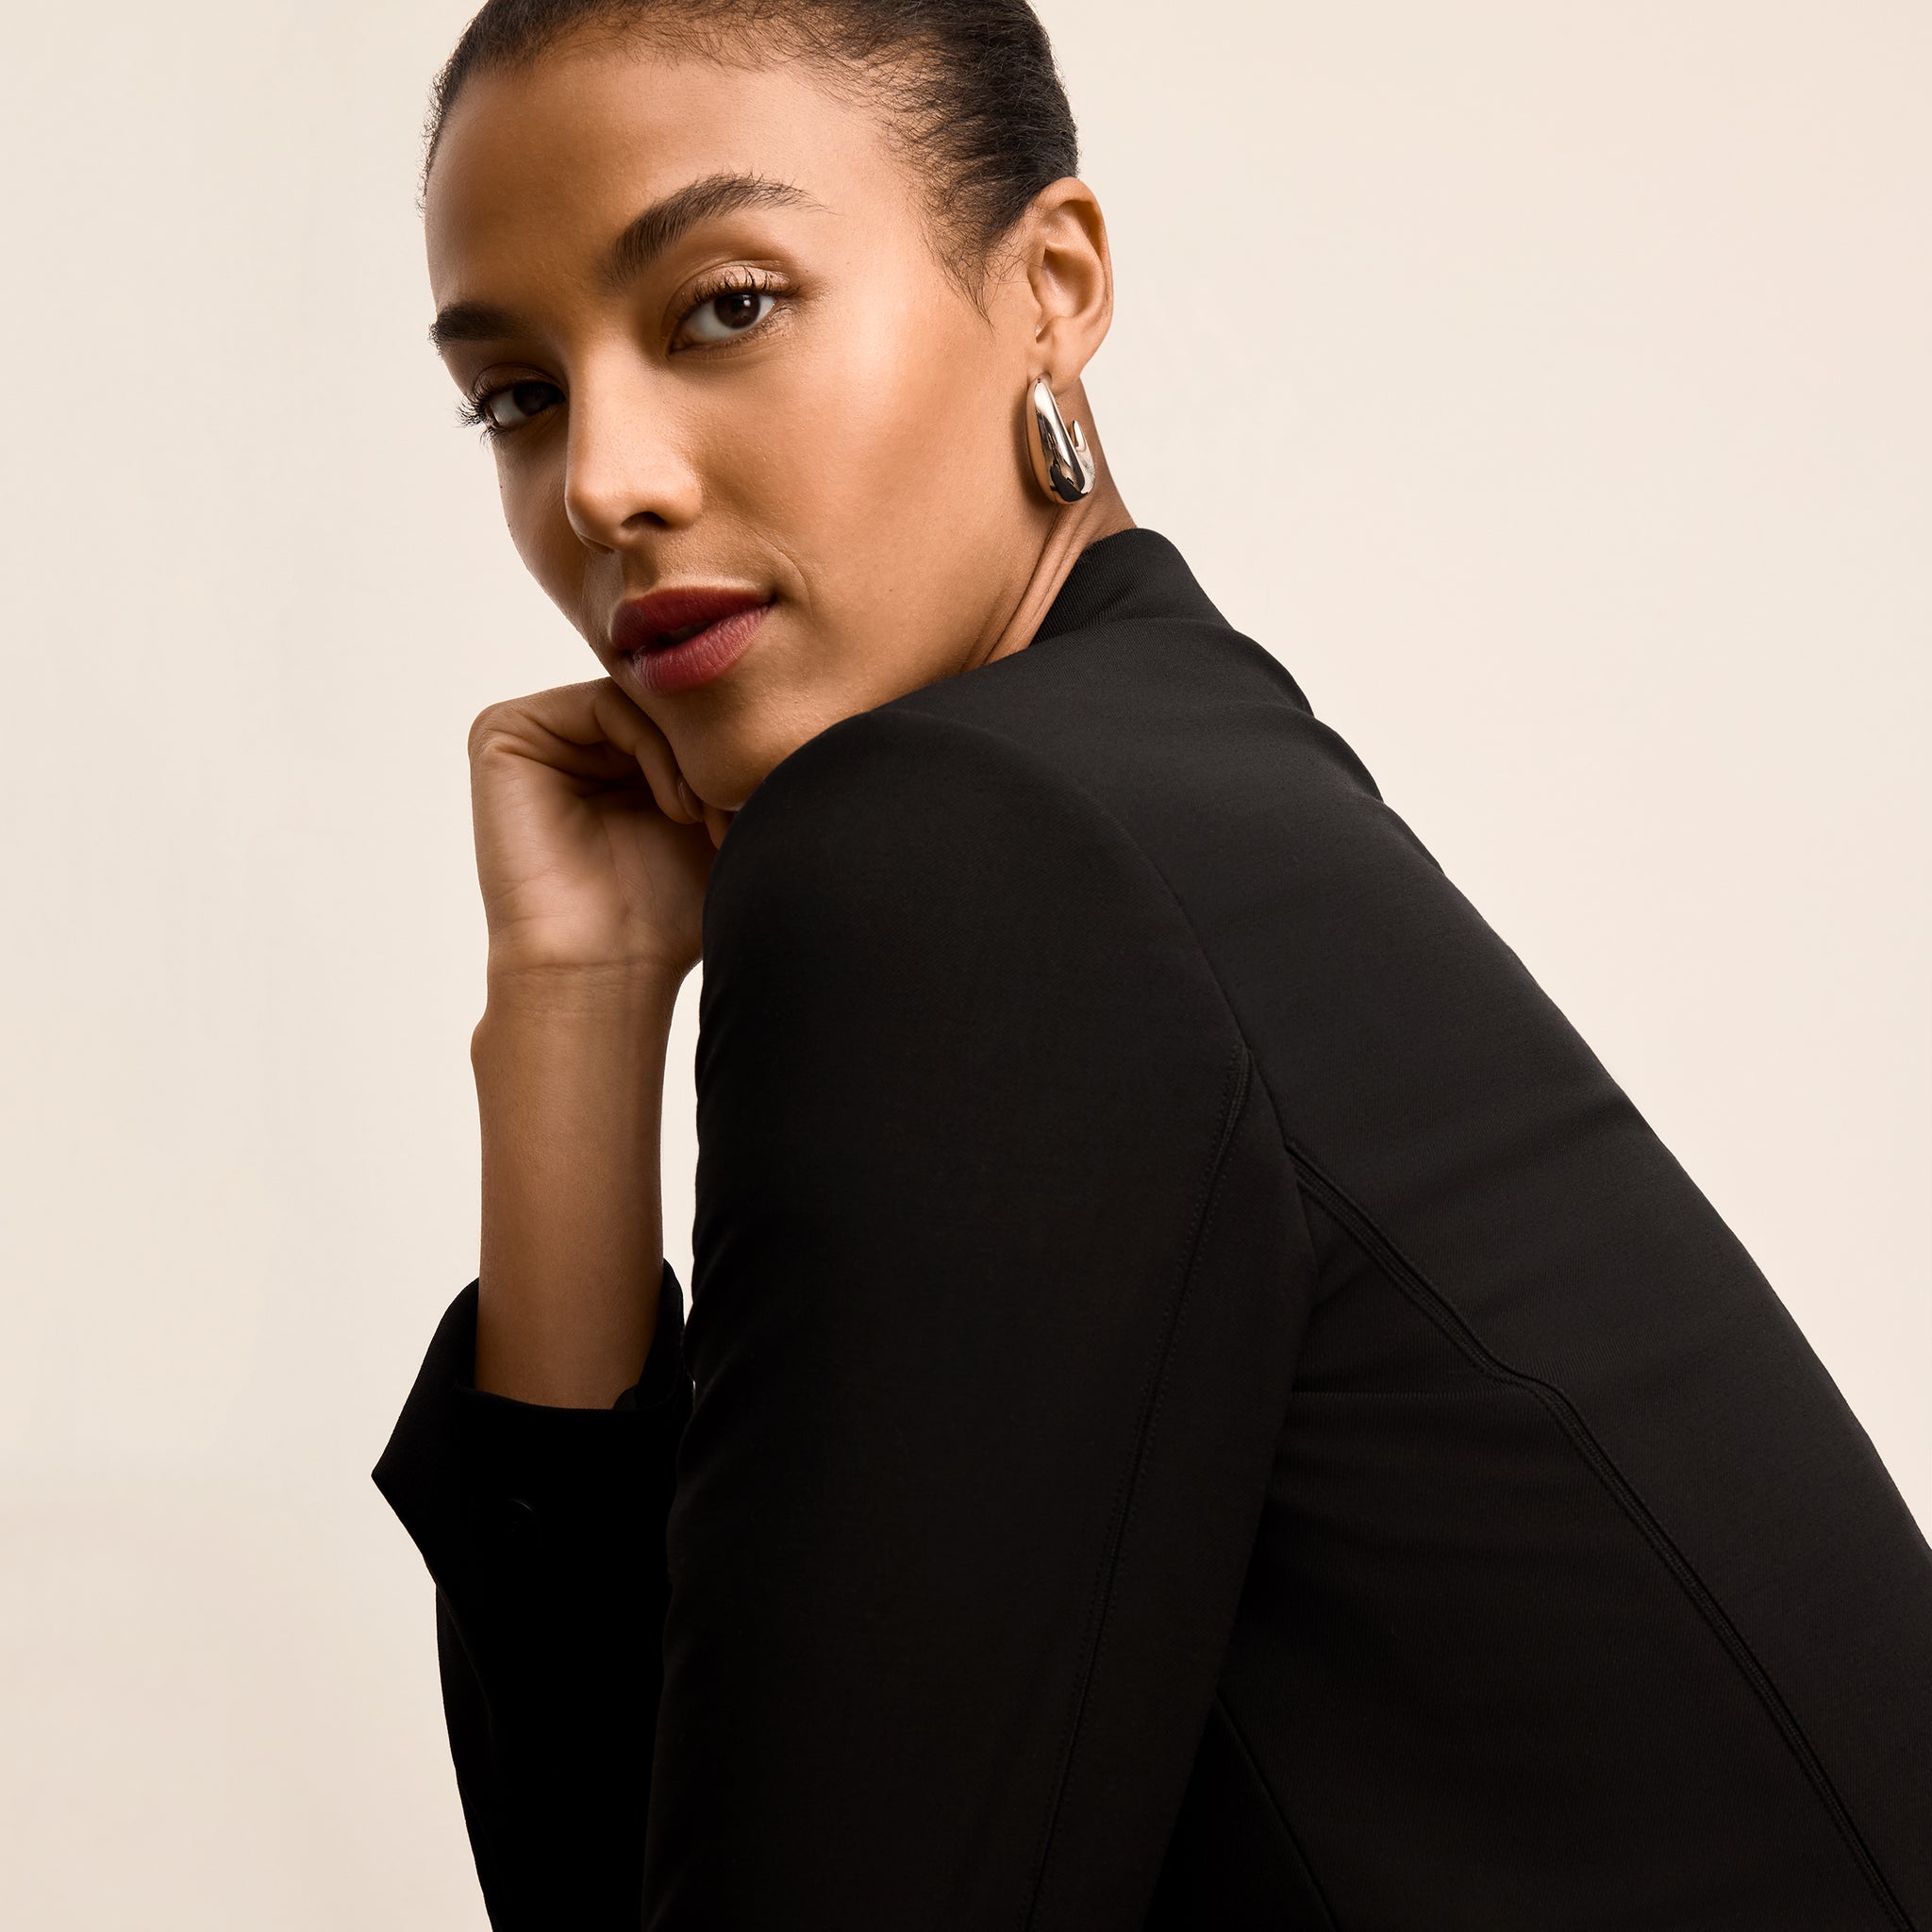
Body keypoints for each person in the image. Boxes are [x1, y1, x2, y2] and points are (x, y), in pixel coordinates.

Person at [372, 3, 1932, 1925]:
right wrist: (574, 1006)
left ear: (1049, 288)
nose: (601, 484)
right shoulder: (1152, 786)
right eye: (517, 397)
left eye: (725, 308)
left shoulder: (968, 849)